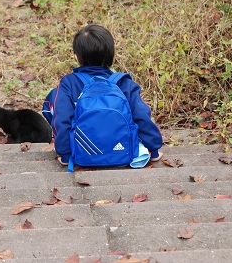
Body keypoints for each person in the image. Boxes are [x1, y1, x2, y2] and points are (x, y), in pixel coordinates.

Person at [42, 24, 163, 166]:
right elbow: (142, 117)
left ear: (76, 57)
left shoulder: (69, 83)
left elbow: (62, 119)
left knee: (53, 97)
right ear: (113, 54)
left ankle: (72, 150)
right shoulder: (124, 83)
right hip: (122, 152)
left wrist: (65, 155)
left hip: (82, 154)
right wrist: (153, 150)